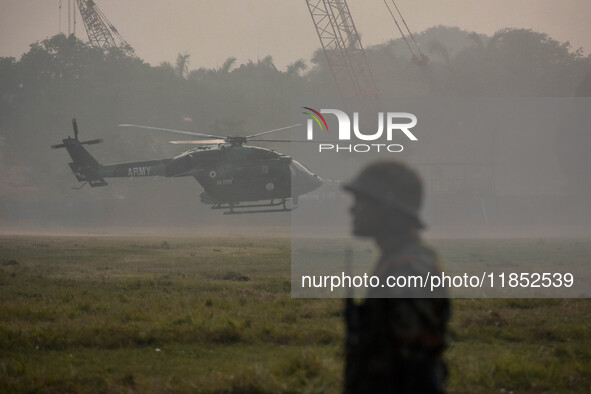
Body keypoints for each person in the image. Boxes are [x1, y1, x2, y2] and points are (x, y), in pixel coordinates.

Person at [343, 160, 451, 394]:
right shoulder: (396, 260)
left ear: (386, 208)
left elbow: (412, 369)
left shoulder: (407, 272)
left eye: (362, 201)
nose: (352, 209)